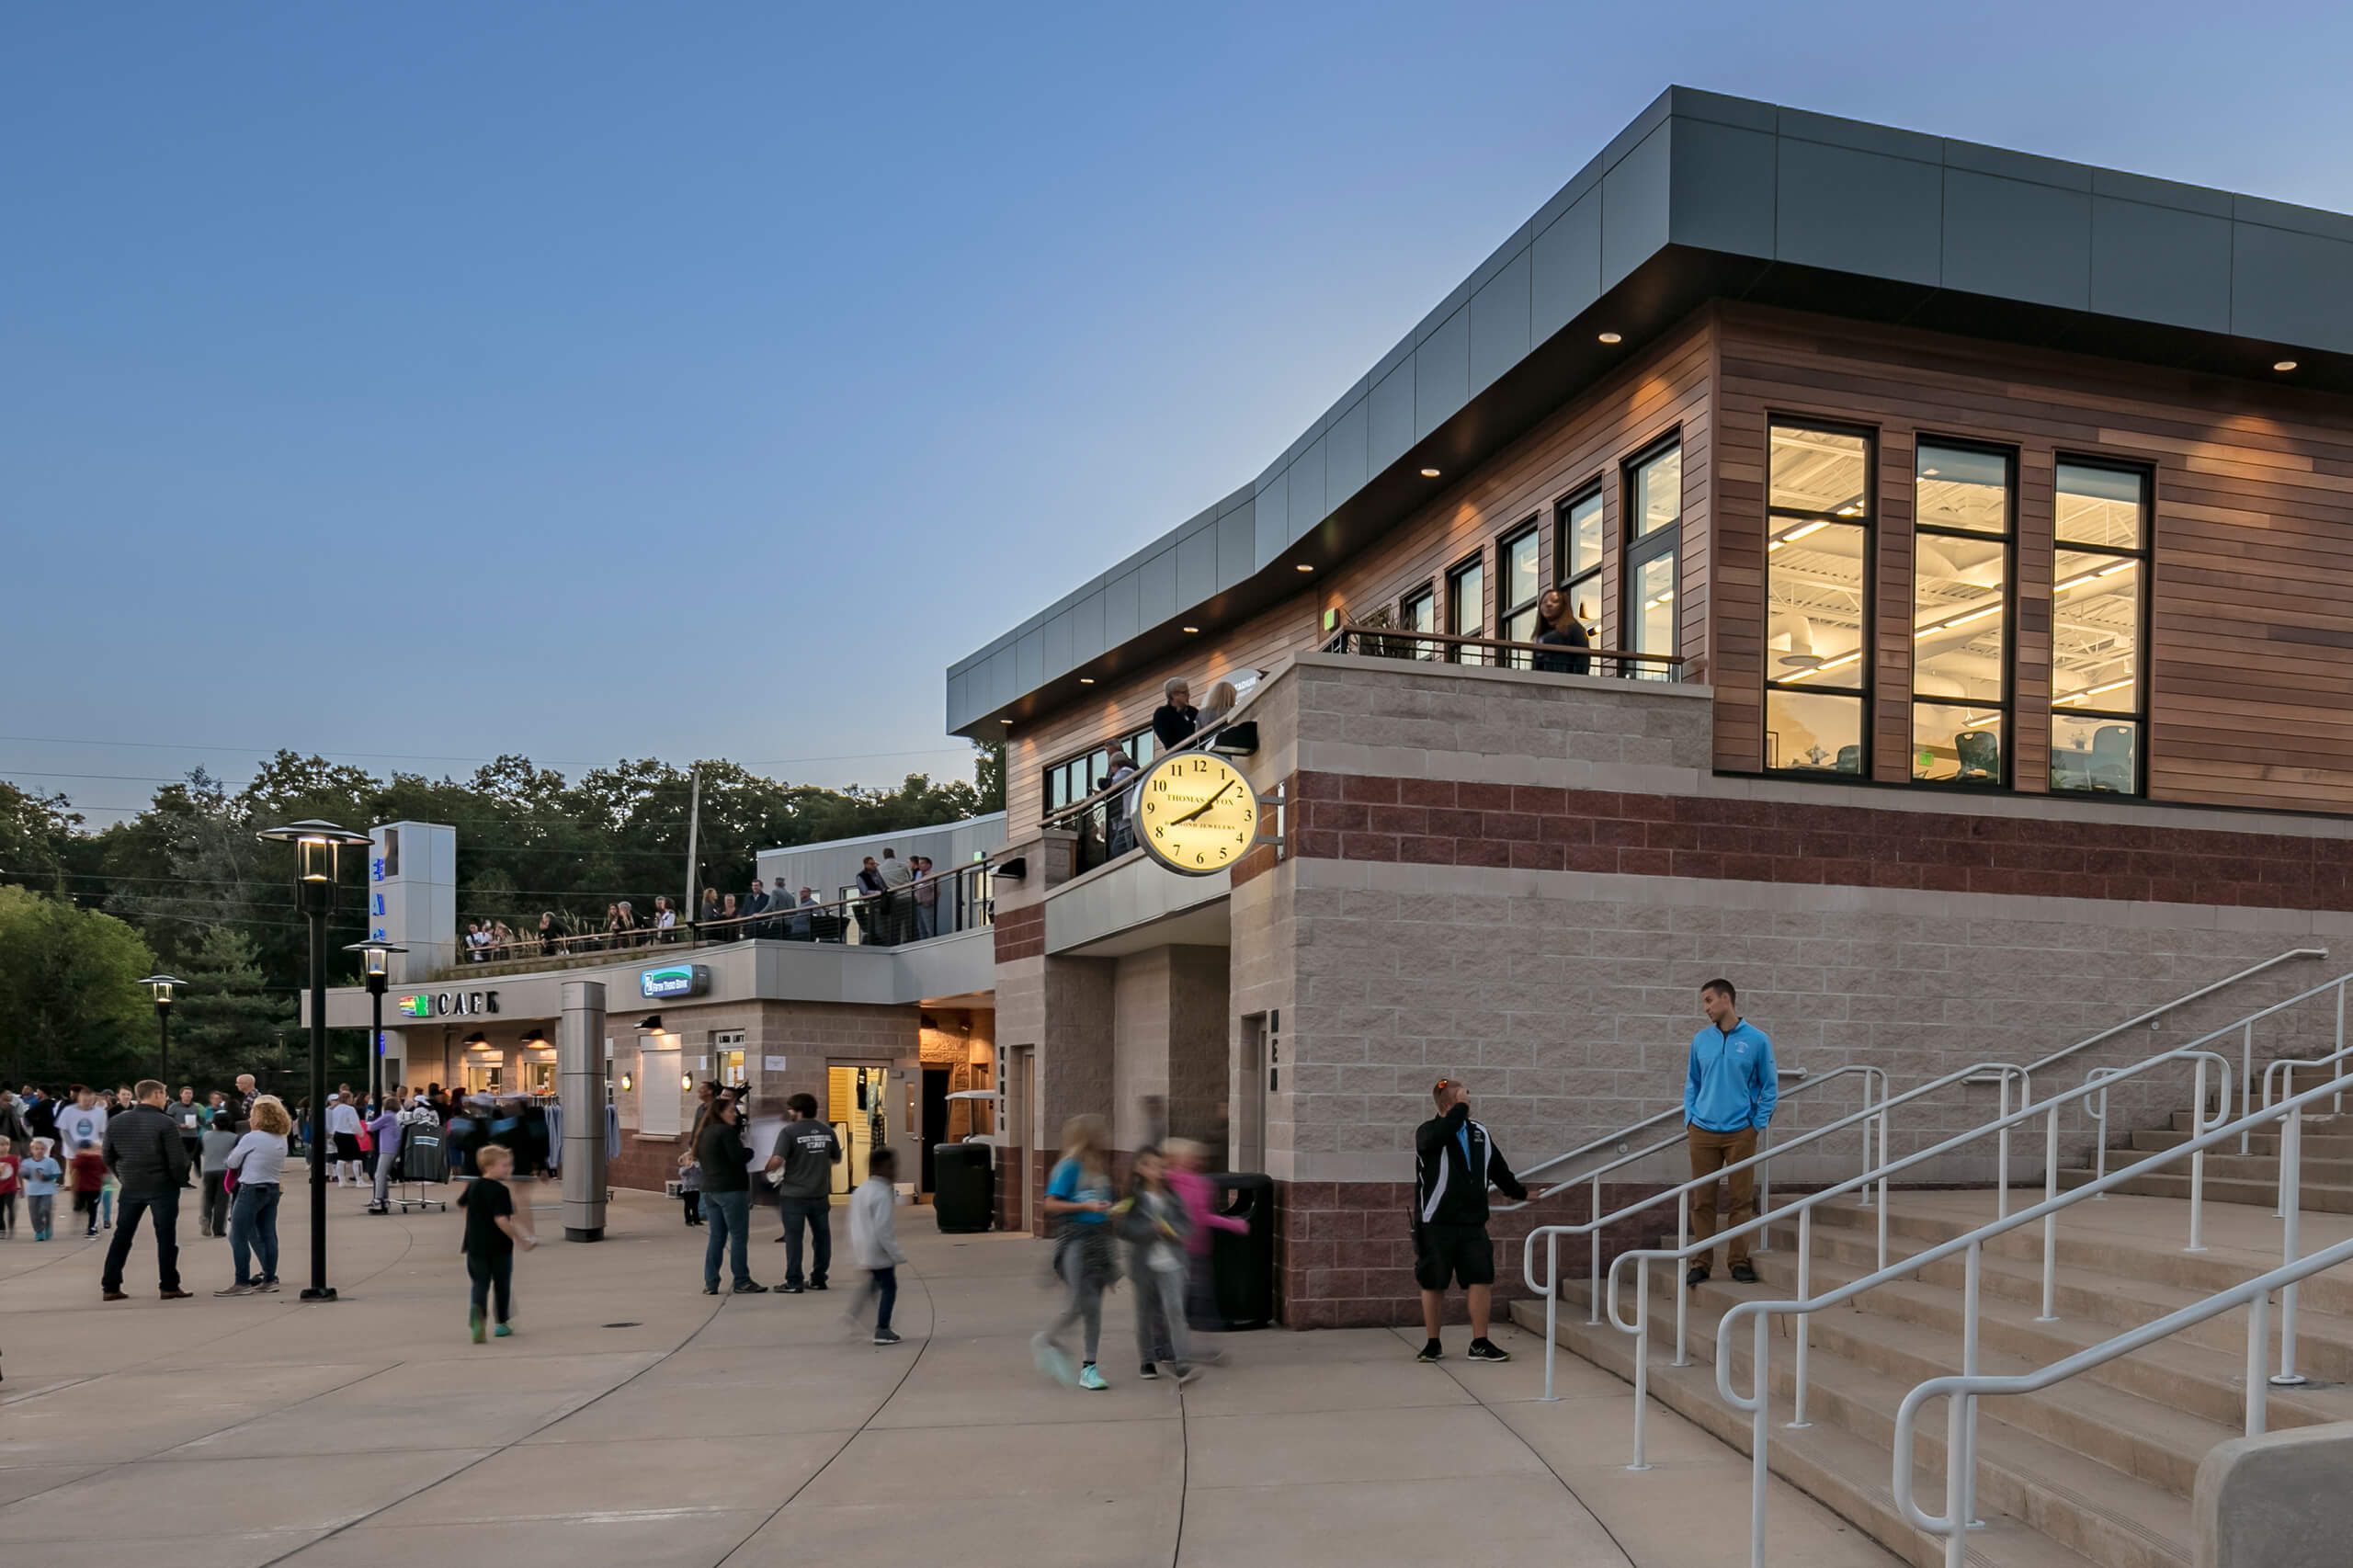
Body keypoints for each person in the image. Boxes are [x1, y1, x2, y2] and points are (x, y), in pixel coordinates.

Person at [1411, 1076, 1525, 1364]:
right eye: (1463, 1095)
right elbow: (1445, 1133)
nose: (1469, 1099)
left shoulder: (1480, 1133)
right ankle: (1433, 1343)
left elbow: (1498, 1169)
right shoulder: (1429, 1132)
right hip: (1435, 1222)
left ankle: (1480, 1343)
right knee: (1434, 1282)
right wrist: (1458, 1106)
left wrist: (1521, 1193)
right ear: (1449, 1101)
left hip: (1473, 1223)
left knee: (1480, 1279)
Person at [1684, 977, 1778, 1289]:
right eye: (1704, 1003)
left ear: (1727, 999)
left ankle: (1738, 1261)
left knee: (1740, 1201)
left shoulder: (1757, 1040)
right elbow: (1692, 1083)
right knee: (1702, 1201)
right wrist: (1690, 1118)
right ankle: (1700, 1262)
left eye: (1709, 1000)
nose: (1706, 1008)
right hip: (1703, 1131)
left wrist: (1756, 1124)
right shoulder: (1701, 1040)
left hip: (1741, 1132)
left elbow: (1770, 1086)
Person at [1034, 1114, 1118, 1391]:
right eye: (1100, 1132)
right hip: (1076, 1242)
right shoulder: (1068, 1167)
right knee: (1080, 1305)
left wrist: (1112, 1210)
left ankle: (1089, 1368)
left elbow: (1102, 1206)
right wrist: (1086, 1208)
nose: (1106, 1137)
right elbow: (1050, 1205)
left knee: (1092, 1307)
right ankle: (1048, 1339)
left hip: (1099, 1242)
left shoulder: (1099, 1171)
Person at [99, 1080, 194, 1301]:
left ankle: (110, 1285)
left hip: (131, 1185)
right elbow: (177, 1160)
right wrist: (178, 1180)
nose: (165, 1099)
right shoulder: (165, 1123)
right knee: (166, 1236)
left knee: (122, 1236)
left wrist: (122, 1175)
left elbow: (107, 1155)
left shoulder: (116, 1121)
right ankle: (169, 1285)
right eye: (164, 1094)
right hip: (162, 1186)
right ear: (157, 1094)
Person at [1120, 1146, 1200, 1384]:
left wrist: (1173, 1232)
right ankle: (1147, 1359)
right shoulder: (1133, 1199)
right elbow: (1124, 1229)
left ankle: (1183, 1361)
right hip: (1144, 1264)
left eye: (1162, 1166)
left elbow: (1187, 1226)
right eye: (1154, 1166)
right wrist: (1151, 1230)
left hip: (1171, 1262)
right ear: (1141, 1168)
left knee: (1175, 1310)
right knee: (1144, 1314)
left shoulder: (1172, 1196)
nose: (1160, 1170)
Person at [1165, 1137, 1245, 1335]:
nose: (1194, 1162)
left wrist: (1232, 1224)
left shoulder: (1202, 1185)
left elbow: (1203, 1217)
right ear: (1174, 1159)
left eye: (1196, 1158)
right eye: (1188, 1158)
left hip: (1197, 1249)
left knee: (1201, 1294)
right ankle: (1165, 1338)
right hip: (1173, 1248)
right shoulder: (1166, 1183)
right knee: (1177, 1294)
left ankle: (1206, 1338)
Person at [460, 1142, 538, 1340]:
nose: (509, 1168)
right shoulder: (501, 1191)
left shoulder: (474, 1186)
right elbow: (501, 1220)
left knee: (480, 1283)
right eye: (504, 1165)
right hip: (499, 1247)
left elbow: (463, 1205)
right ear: (489, 1167)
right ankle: (502, 1324)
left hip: (475, 1245)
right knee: (502, 1284)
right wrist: (521, 1239)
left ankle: (478, 1317)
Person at [765, 1092, 841, 1291]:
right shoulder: (827, 1131)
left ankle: (794, 1281)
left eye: (790, 1109)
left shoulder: (789, 1132)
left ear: (798, 1111)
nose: (789, 1112)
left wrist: (766, 1169)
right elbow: (837, 1158)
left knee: (794, 1238)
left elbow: (777, 1160)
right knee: (822, 1237)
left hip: (794, 1195)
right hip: (820, 1193)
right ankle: (818, 1278)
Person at [217, 1096, 291, 1294]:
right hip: (272, 1187)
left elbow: (232, 1162)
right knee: (268, 1235)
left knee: (239, 1235)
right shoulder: (281, 1140)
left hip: (251, 1188)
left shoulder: (252, 1137)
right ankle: (269, 1278)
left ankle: (241, 1282)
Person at [697, 1095, 765, 1294]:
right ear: (720, 1113)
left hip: (710, 1189)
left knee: (716, 1237)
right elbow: (737, 1157)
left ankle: (711, 1282)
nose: (735, 1114)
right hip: (731, 1189)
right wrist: (750, 1152)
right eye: (731, 1111)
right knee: (738, 1236)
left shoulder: (705, 1132)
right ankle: (742, 1280)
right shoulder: (726, 1132)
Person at [847, 1145, 907, 1345]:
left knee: (875, 1282)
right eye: (892, 1167)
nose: (895, 1171)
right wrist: (896, 1253)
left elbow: (855, 1222)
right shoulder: (882, 1194)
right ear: (881, 1168)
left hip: (862, 1246)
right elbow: (883, 1230)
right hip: (878, 1250)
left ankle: (854, 1313)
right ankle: (883, 1328)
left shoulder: (861, 1190)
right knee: (889, 1287)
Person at [1530, 585, 1593, 676]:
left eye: (1554, 601)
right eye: (1544, 602)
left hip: (1566, 681)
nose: (1549, 604)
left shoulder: (1574, 629)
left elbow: (1582, 660)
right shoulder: (1540, 635)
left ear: (1563, 606)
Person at [199, 1108, 240, 1236]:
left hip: (208, 1170)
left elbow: (197, 1152)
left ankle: (206, 1217)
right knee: (222, 1201)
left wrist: (197, 1166)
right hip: (225, 1171)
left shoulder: (205, 1136)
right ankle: (218, 1229)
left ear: (214, 1122)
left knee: (208, 1197)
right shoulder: (234, 1138)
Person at [366, 1095, 404, 1213]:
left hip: (387, 1148)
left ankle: (377, 1200)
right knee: (383, 1175)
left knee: (379, 1175)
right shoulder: (394, 1117)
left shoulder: (387, 1116)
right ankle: (385, 1200)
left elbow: (371, 1127)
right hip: (393, 1148)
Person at [22, 1138, 60, 1241]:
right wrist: (27, 1174)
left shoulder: (51, 1161)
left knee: (45, 1209)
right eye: (36, 1148)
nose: (39, 1151)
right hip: (32, 1192)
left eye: (42, 1149)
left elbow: (56, 1174)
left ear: (46, 1150)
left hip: (47, 1191)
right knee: (34, 1213)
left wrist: (45, 1177)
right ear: (32, 1150)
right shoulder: (27, 1162)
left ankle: (47, 1226)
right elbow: (23, 1173)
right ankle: (39, 1231)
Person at [56, 1085, 108, 1160]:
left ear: (94, 1100)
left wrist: (95, 1146)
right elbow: (64, 1131)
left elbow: (102, 1133)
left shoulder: (101, 1113)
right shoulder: (68, 1111)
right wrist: (74, 1148)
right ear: (79, 1098)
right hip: (72, 1153)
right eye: (85, 1100)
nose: (87, 1103)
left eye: (90, 1100)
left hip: (93, 1152)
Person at [69, 1138, 108, 1237]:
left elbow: (105, 1170)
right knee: (82, 1207)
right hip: (82, 1188)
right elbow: (76, 1165)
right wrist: (85, 1155)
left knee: (93, 1209)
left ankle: (92, 1228)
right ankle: (87, 1223)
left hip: (94, 1189)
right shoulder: (81, 1158)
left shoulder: (97, 1159)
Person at [327, 1092, 365, 1186]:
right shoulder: (350, 1109)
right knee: (357, 1157)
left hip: (337, 1134)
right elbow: (354, 1123)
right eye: (351, 1097)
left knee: (341, 1157)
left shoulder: (334, 1109)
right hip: (348, 1134)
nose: (352, 1099)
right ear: (348, 1098)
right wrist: (360, 1133)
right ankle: (360, 1181)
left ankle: (342, 1181)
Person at [1153, 677, 1199, 750]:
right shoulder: (1162, 714)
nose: (1188, 695)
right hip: (1180, 755)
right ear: (1173, 695)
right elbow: (1168, 741)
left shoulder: (1193, 711)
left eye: (1188, 692)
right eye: (1184, 692)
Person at [878, 849, 913, 944]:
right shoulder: (903, 865)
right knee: (910, 924)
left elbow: (881, 884)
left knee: (895, 924)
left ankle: (895, 944)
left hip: (894, 899)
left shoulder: (880, 868)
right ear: (894, 854)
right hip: (908, 896)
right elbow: (910, 878)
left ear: (884, 856)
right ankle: (911, 942)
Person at [910, 859, 938, 940]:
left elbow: (936, 891)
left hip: (927, 905)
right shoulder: (919, 876)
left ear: (929, 865)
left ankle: (933, 946)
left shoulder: (931, 876)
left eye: (922, 863)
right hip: (919, 905)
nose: (920, 865)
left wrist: (929, 902)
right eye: (919, 863)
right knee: (921, 929)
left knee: (930, 928)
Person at [0, 1141, 17, 1236]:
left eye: (7, 1144)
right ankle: (2, 1229)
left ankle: (11, 1225)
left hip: (10, 1188)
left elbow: (17, 1174)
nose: (4, 1147)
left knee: (11, 1208)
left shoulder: (13, 1159)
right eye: (1, 1145)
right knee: (0, 1210)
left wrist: (21, 1187)